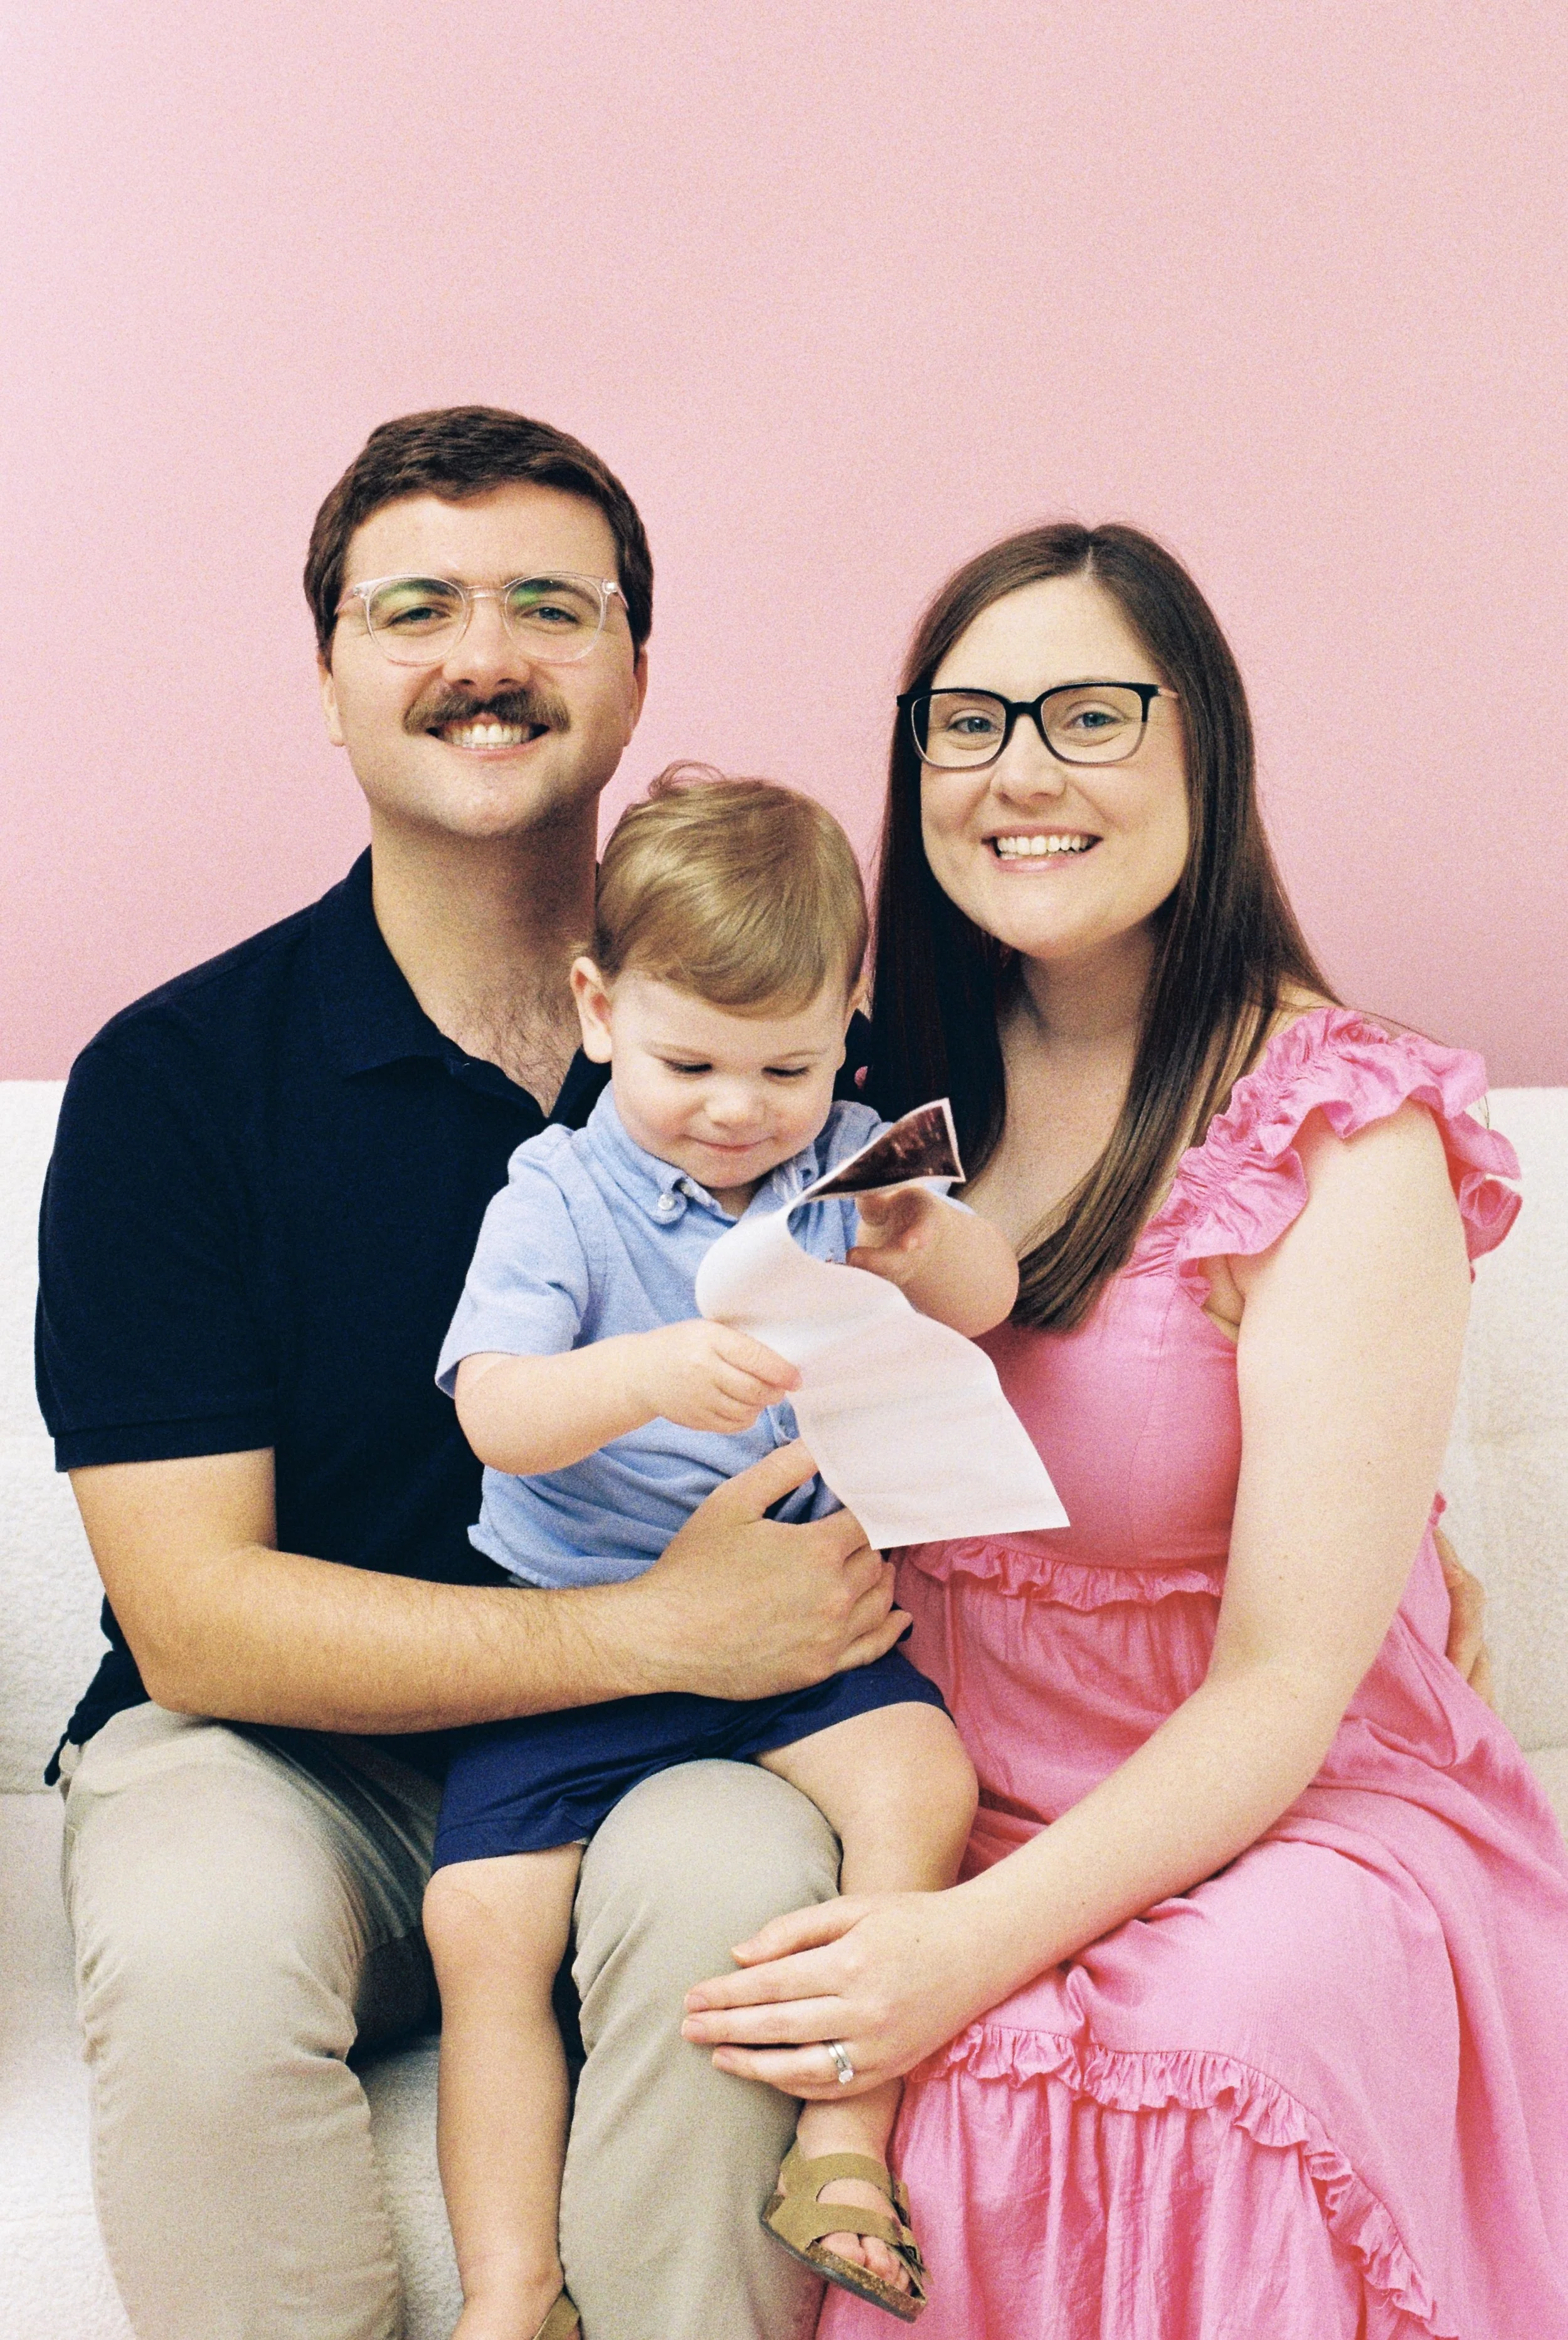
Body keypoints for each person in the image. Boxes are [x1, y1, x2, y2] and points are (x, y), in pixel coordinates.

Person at [35, 408, 909, 2340]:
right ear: (331, 678)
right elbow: (197, 1623)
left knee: (741, 1883)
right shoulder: (176, 1085)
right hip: (286, 1760)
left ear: (632, 668)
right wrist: (656, 1632)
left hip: (684, 1746)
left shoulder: (782, 1059)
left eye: (548, 605)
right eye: (412, 607)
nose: (483, 655)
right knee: (190, 1941)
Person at [679, 521, 1568, 2335]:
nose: (1018, 772)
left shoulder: (1337, 1127)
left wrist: (954, 1956)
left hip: (1282, 1809)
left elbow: (1277, 1687)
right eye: (966, 721)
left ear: (1201, 752)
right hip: (940, 1782)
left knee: (1204, 2052)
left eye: (1088, 715)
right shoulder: (856, 1084)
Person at [425, 771, 1009, 2338]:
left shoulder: (849, 1166)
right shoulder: (555, 1193)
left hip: (802, 1634)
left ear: (848, 1032)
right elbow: (493, 1411)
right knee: (482, 1931)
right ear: (598, 1009)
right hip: (587, 1631)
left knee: (923, 1786)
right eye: (688, 1060)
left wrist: (923, 1242)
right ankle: (510, 2289)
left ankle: (839, 2150)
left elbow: (992, 1292)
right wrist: (645, 1370)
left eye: (788, 1064)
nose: (740, 1108)